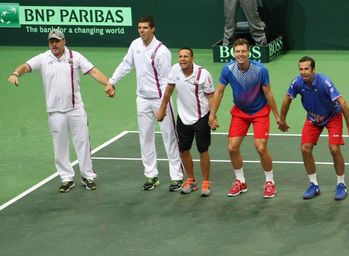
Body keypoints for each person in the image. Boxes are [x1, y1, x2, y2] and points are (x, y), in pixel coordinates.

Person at [7, 29, 114, 192]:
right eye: (51, 41)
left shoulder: (75, 56)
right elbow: (25, 66)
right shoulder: (43, 58)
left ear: (64, 41)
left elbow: (92, 70)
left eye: (57, 41)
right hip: (55, 112)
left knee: (83, 143)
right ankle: (66, 178)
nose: (54, 44)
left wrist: (108, 83)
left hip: (76, 109)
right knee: (60, 146)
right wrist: (16, 73)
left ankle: (88, 176)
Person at [109, 15, 185, 191]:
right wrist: (112, 81)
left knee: (170, 138)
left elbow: (168, 81)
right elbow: (126, 64)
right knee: (145, 137)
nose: (141, 31)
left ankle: (177, 177)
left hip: (160, 100)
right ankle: (151, 175)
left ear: (153, 29)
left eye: (145, 28)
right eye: (139, 28)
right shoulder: (135, 45)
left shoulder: (161, 51)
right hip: (142, 99)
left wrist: (164, 106)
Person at [209, 38, 281, 199]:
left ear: (249, 52)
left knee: (261, 148)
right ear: (233, 52)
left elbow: (268, 93)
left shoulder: (260, 70)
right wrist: (212, 115)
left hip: (260, 112)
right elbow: (219, 92)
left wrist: (277, 116)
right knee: (232, 148)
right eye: (237, 51)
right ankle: (240, 181)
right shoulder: (228, 69)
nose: (240, 54)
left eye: (243, 51)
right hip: (240, 113)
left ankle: (270, 182)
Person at [278, 56, 349, 200]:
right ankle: (313, 184)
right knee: (305, 149)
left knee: (334, 148)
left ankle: (341, 184)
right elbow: (287, 99)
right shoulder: (297, 82)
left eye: (306, 69)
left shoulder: (324, 82)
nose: (303, 72)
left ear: (314, 70)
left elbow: (342, 102)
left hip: (332, 116)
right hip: (313, 118)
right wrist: (282, 120)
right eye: (301, 69)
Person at [157, 47, 215, 197]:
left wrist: (212, 116)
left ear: (192, 59)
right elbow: (169, 90)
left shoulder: (203, 74)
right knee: (183, 150)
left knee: (203, 150)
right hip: (183, 117)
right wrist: (162, 109)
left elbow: (211, 97)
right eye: (180, 56)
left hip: (201, 116)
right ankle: (191, 180)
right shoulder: (175, 70)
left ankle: (206, 182)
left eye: (186, 57)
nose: (182, 59)